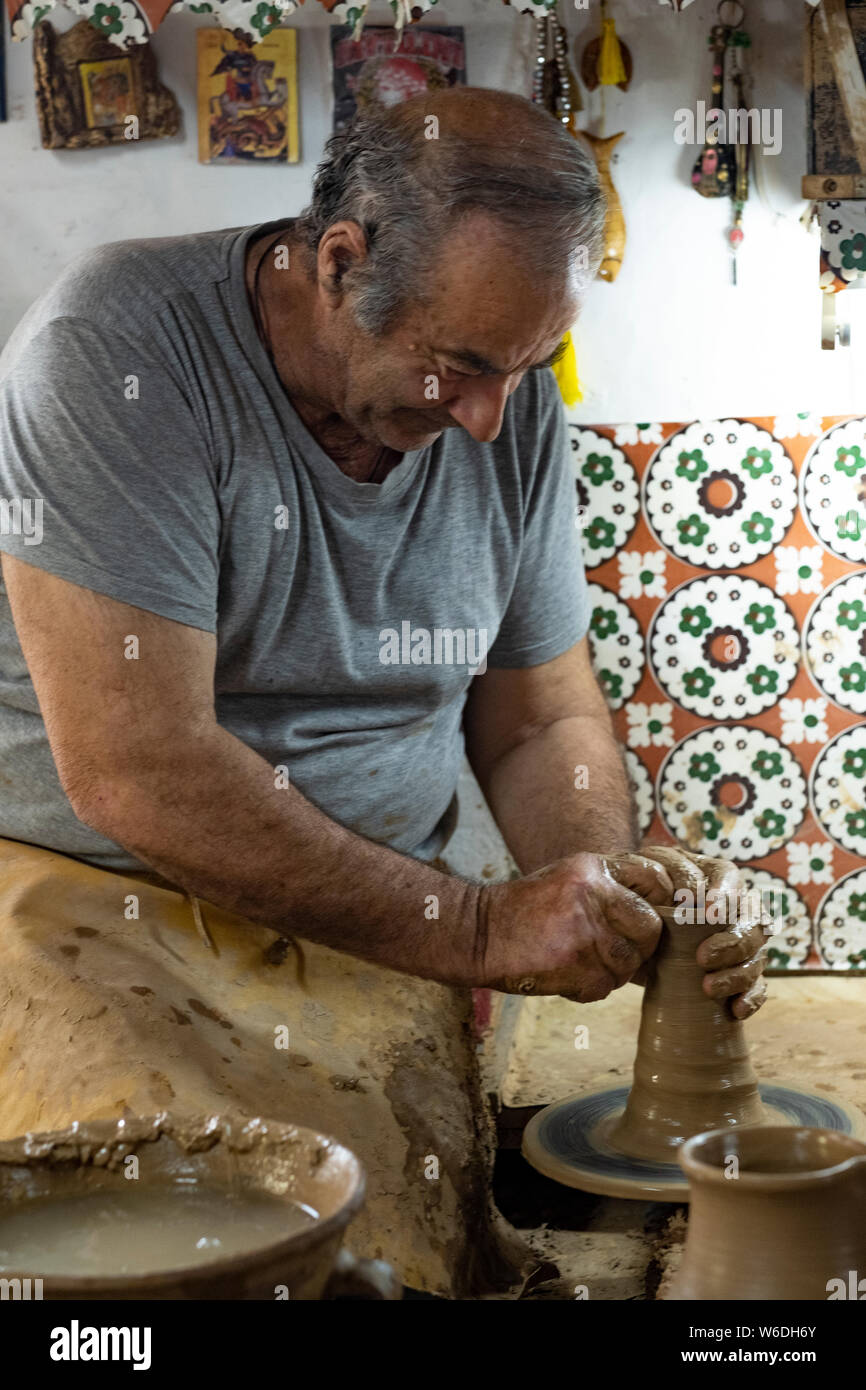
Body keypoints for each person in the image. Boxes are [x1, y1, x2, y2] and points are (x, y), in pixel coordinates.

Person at [0, 87, 765, 1293]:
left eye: (523, 369)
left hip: (374, 927)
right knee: (198, 1245)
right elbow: (134, 770)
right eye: (457, 366)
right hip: (104, 909)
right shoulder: (116, 352)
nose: (485, 418)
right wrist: (476, 927)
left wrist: (601, 882)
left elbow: (541, 720)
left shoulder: (504, 407)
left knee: (386, 1251)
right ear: (340, 262)